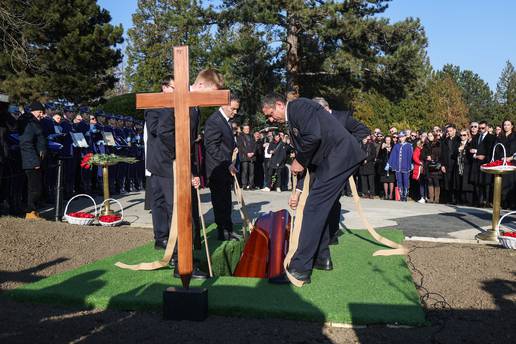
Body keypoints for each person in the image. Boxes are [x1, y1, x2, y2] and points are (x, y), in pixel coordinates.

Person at [261, 94, 365, 284]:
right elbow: (311, 145)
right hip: (331, 160)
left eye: (270, 114)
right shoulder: (294, 116)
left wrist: (299, 159)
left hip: (338, 158)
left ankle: (299, 269)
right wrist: (298, 189)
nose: (270, 119)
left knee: (313, 208)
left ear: (278, 104)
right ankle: (321, 257)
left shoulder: (298, 107)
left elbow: (313, 136)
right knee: (319, 208)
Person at [204, 94, 241, 241]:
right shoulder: (214, 121)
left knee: (226, 201)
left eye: (237, 109)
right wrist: (228, 162)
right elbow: (211, 147)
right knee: (220, 202)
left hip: (224, 167)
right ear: (224, 104)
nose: (235, 112)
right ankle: (223, 231)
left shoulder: (225, 120)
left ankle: (228, 229)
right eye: (233, 109)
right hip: (217, 168)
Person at [18, 101, 47, 220]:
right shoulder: (29, 122)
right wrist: (34, 161)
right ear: (33, 111)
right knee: (34, 188)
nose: (41, 114)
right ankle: (30, 211)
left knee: (35, 187)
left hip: (36, 159)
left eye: (42, 112)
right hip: (31, 161)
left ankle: (32, 210)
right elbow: (26, 143)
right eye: (39, 112)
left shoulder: (34, 122)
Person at [387, 131, 413, 201]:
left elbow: (410, 156)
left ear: (405, 137)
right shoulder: (396, 146)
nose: (401, 138)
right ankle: (401, 195)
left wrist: (411, 164)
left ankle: (405, 194)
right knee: (399, 181)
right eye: (400, 137)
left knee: (406, 180)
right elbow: (393, 155)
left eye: (402, 137)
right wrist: (389, 163)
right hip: (398, 166)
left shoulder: (408, 145)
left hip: (406, 166)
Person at [496, 119, 516, 209]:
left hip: (512, 163)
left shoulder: (515, 136)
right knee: (502, 183)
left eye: (508, 125)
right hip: (502, 163)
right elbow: (497, 150)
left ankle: (512, 204)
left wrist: (510, 158)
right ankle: (503, 203)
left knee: (511, 184)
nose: (506, 126)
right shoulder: (500, 137)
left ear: (512, 126)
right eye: (504, 125)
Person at [440, 125, 461, 204]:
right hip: (446, 164)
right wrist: (442, 165)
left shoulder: (459, 139)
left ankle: (456, 199)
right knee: (447, 182)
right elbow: (442, 154)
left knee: (455, 182)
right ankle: (448, 199)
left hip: (455, 164)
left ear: (455, 130)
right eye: (448, 131)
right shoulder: (445, 141)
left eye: (451, 131)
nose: (449, 132)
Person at [453, 129, 474, 205]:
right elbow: (453, 154)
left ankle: (468, 201)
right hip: (458, 166)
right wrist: (458, 150)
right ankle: (459, 200)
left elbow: (471, 154)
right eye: (461, 135)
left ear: (468, 135)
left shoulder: (470, 143)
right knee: (459, 183)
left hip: (467, 166)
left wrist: (465, 148)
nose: (462, 136)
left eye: (464, 135)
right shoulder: (457, 144)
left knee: (466, 184)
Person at [423, 132, 442, 203]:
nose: (429, 137)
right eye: (428, 135)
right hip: (428, 165)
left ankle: (436, 199)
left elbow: (440, 153)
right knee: (430, 181)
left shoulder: (438, 143)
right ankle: (431, 198)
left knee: (436, 181)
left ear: (434, 136)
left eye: (431, 135)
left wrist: (432, 157)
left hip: (435, 165)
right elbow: (422, 155)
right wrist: (426, 157)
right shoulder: (425, 144)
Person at [236, 124, 256, 190]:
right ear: (243, 129)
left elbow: (254, 145)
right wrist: (247, 153)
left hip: (252, 156)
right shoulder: (240, 136)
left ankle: (251, 185)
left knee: (252, 172)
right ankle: (244, 185)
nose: (247, 130)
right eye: (246, 128)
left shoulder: (252, 136)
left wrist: (253, 152)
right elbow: (240, 146)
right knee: (245, 171)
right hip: (244, 156)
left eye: (248, 128)